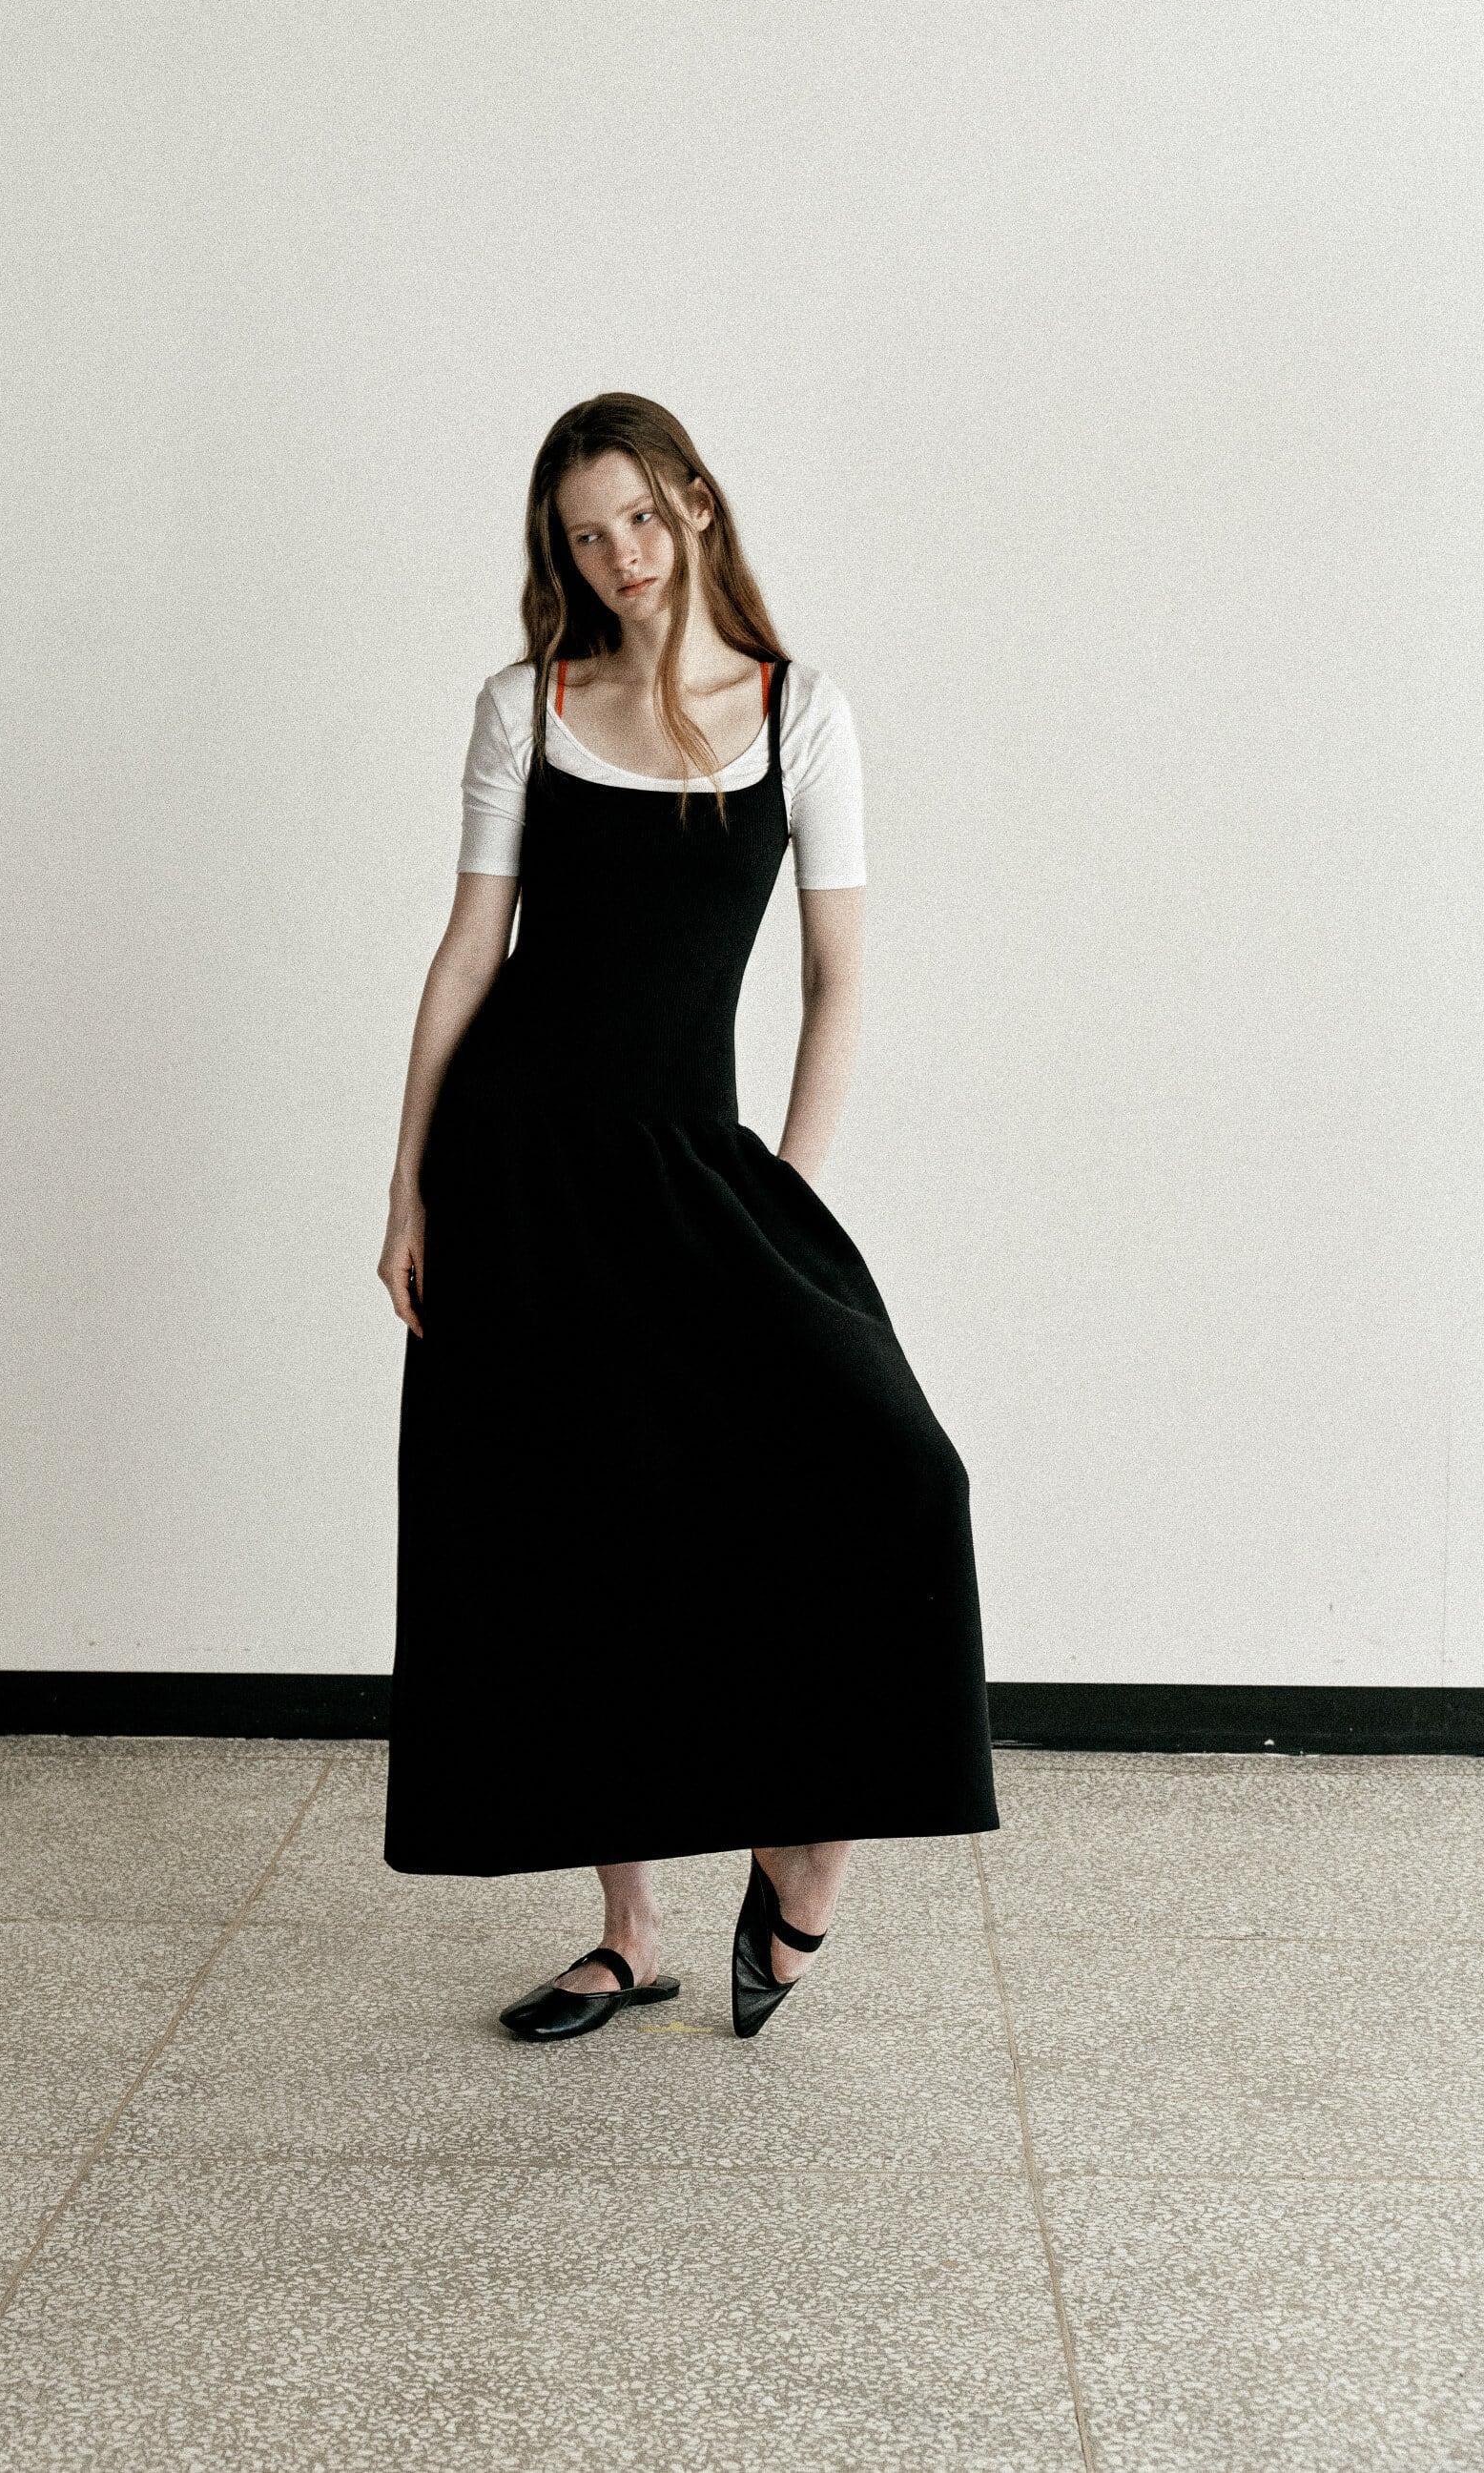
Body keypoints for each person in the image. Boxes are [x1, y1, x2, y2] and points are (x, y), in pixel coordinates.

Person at [378, 391, 998, 2043]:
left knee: (900, 1475)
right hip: (517, 1171)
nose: (620, 557)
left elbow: (838, 975)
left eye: (641, 518)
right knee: (584, 1538)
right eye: (586, 536)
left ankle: (805, 1867)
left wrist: (781, 1188)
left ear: (698, 507)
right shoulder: (527, 705)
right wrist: (407, 1183)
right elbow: (470, 951)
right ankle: (630, 1932)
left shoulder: (804, 715)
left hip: (692, 1164)